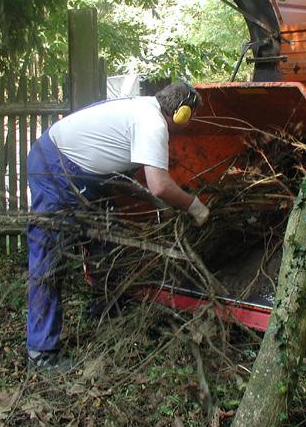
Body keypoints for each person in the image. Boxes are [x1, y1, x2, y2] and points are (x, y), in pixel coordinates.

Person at [25, 81, 210, 371]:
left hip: (85, 173)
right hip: (56, 166)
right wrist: (194, 206)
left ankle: (105, 307)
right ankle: (41, 351)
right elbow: (160, 186)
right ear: (182, 113)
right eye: (192, 116)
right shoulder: (153, 124)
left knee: (105, 238)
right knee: (50, 256)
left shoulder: (144, 107)